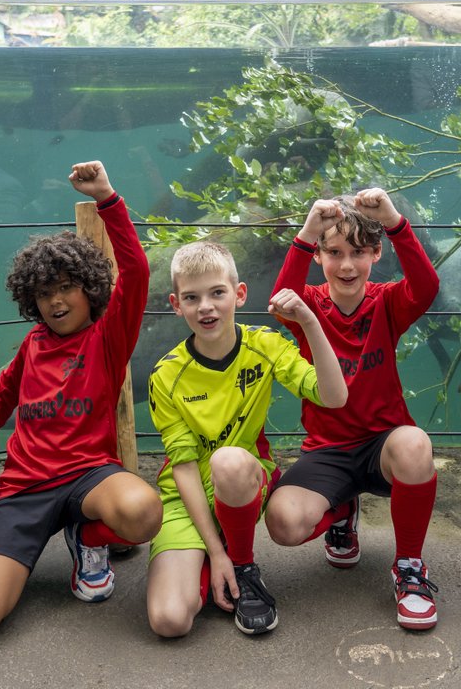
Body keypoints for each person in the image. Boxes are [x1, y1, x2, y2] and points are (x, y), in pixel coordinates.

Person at [0, 161, 162, 637]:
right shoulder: (33, 345)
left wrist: (107, 197)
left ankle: (86, 537)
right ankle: (12, 543)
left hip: (90, 478)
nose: (56, 301)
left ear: (89, 291)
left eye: (67, 288)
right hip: (23, 489)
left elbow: (137, 268)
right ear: (32, 300)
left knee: (143, 512)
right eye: (44, 293)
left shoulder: (108, 337)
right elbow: (4, 393)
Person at [146, 242, 347, 637]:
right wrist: (213, 553)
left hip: (243, 482)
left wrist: (309, 322)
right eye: (192, 297)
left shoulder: (264, 345)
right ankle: (215, 558)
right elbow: (183, 469)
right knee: (170, 621)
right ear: (176, 304)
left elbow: (334, 397)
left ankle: (242, 566)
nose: (206, 306)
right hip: (186, 500)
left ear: (238, 294)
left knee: (230, 461)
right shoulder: (165, 376)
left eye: (217, 293)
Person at [265, 189, 444, 630]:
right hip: (327, 451)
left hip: (383, 447)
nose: (347, 265)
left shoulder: (387, 301)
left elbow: (427, 287)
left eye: (360, 253)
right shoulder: (306, 304)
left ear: (376, 253)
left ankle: (409, 568)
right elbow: (280, 297)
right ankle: (341, 510)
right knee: (284, 525)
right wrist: (306, 231)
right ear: (319, 256)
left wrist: (395, 221)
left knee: (416, 444)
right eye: (335, 252)